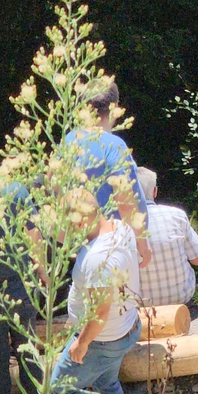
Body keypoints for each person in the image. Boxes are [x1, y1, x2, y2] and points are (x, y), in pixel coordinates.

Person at [51, 190, 142, 394]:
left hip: (103, 340)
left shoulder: (96, 259)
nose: (66, 231)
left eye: (67, 225)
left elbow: (99, 313)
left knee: (62, 387)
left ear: (80, 222)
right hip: (127, 326)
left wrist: (81, 343)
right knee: (107, 382)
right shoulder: (121, 227)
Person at [64, 81, 151, 268]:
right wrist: (142, 243)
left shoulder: (67, 143)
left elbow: (52, 194)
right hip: (113, 248)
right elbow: (125, 203)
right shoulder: (114, 145)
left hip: (78, 248)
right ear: (115, 108)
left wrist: (67, 242)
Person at [0, 183, 43, 394]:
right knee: (28, 352)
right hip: (20, 284)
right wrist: (44, 274)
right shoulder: (16, 190)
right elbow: (33, 234)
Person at [136, 167, 198, 305]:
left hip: (141, 302)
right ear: (155, 191)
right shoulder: (177, 215)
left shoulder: (120, 225)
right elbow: (197, 259)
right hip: (181, 298)